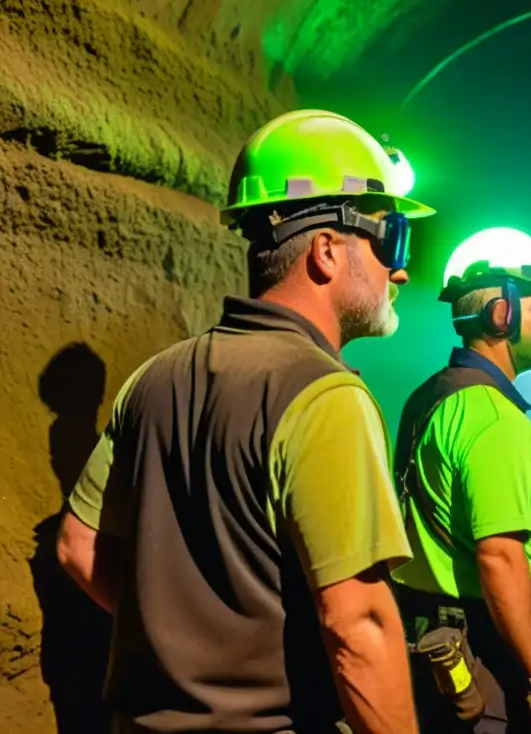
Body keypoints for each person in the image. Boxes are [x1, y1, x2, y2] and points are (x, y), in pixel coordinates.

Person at [55, 109, 433, 734]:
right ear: (327, 250)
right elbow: (358, 625)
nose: (401, 270)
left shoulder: (153, 378)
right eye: (391, 238)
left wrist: (183, 648)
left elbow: (77, 545)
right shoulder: (324, 395)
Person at [391, 256, 531, 733]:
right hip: (482, 645)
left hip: (427, 635)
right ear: (502, 315)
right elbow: (499, 558)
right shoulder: (495, 420)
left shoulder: (432, 394)